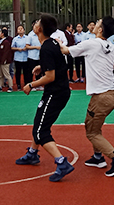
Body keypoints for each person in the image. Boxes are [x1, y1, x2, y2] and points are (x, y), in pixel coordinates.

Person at [59, 16, 114, 177]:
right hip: (111, 94)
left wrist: (56, 41)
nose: (94, 24)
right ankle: (98, 157)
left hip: (102, 96)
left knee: (91, 132)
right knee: (93, 126)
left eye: (97, 23)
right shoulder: (109, 46)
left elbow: (66, 51)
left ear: (100, 29)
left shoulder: (91, 43)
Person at [16, 15, 74, 182]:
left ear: (39, 29)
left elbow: (50, 77)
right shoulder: (53, 43)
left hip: (55, 93)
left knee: (40, 131)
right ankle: (32, 153)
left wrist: (31, 84)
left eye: (37, 22)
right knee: (40, 123)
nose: (35, 24)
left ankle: (61, 162)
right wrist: (42, 66)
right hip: (60, 91)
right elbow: (59, 64)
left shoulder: (46, 48)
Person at [12, 25, 30, 91]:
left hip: (26, 57)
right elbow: (12, 47)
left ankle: (26, 84)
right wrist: (18, 49)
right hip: (18, 57)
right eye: (18, 29)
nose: (20, 30)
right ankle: (18, 85)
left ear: (24, 30)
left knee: (26, 72)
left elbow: (30, 45)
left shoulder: (27, 38)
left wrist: (26, 48)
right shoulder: (15, 39)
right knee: (18, 72)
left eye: (21, 29)